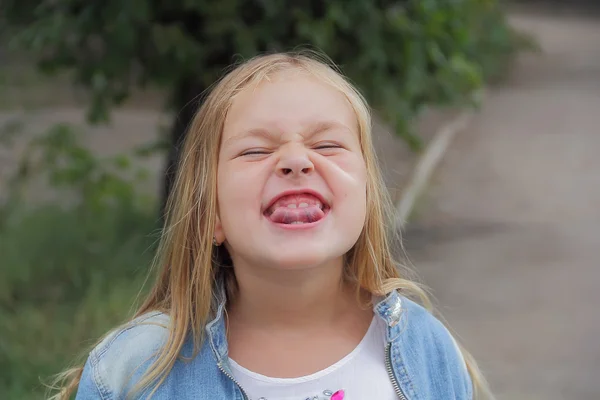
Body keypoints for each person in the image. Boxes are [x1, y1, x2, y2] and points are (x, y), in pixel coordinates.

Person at [50, 52, 492, 400]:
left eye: (327, 144)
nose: (297, 161)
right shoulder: (132, 372)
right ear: (210, 215)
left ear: (366, 199)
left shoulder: (426, 349)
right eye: (255, 151)